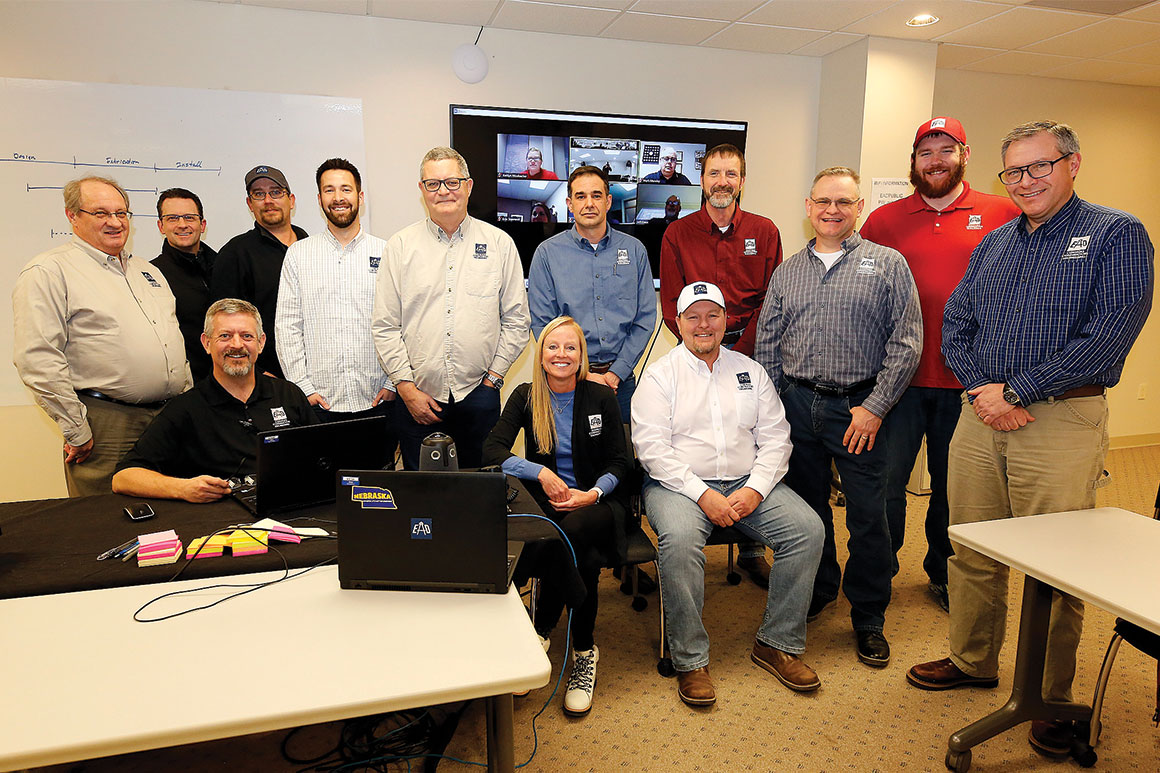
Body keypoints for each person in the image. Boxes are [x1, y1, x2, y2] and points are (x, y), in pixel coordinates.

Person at [907, 120, 1153, 758]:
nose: (1026, 181)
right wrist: (986, 390)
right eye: (1014, 172)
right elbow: (956, 323)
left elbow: (1110, 334)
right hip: (981, 414)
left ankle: (1049, 696)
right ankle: (972, 658)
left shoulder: (1117, 234)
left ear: (1073, 163)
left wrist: (1016, 391)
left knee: (1058, 566)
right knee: (972, 544)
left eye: (1040, 167)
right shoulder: (994, 244)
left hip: (1061, 420)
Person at [754, 166, 921, 668]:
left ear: (858, 208)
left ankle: (869, 616)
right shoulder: (788, 271)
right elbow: (768, 339)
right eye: (823, 201)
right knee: (809, 511)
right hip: (799, 407)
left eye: (843, 202)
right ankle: (821, 588)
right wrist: (772, 408)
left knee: (869, 517)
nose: (832, 211)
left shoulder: (888, 264)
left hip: (860, 408)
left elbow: (907, 343)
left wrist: (874, 408)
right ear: (808, 207)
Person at [632, 281, 824, 707]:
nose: (704, 325)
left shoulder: (749, 371)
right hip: (679, 485)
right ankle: (690, 660)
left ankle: (777, 643)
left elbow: (776, 437)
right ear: (678, 323)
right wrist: (703, 495)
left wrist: (756, 489)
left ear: (726, 320)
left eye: (712, 315)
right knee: (680, 542)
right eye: (693, 316)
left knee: (808, 530)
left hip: (747, 482)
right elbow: (652, 450)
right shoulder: (660, 376)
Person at [859, 117, 1021, 612]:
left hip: (970, 382)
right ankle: (878, 573)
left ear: (964, 155)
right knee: (886, 483)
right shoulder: (885, 221)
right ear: (913, 161)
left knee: (957, 489)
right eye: (925, 152)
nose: (935, 160)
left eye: (945, 150)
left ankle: (944, 573)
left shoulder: (1002, 213)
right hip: (898, 381)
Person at [483, 316, 629, 717]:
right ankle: (584, 647)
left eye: (571, 347)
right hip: (548, 504)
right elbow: (492, 451)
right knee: (581, 554)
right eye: (553, 346)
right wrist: (542, 473)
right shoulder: (526, 396)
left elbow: (622, 461)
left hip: (599, 503)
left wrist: (592, 493)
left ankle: (545, 631)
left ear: (581, 356)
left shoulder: (600, 397)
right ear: (541, 354)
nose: (561, 354)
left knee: (572, 531)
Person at [12, 176, 190, 497]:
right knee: (105, 523)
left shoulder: (147, 271)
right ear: (72, 216)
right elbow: (38, 358)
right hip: (107, 425)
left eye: (122, 213)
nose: (115, 222)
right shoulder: (49, 271)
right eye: (101, 213)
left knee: (167, 521)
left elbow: (172, 342)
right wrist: (76, 429)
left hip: (168, 419)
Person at [658, 142, 783, 587]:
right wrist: (704, 345)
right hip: (698, 347)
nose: (722, 182)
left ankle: (750, 547)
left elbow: (773, 300)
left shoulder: (766, 232)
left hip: (753, 354)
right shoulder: (677, 234)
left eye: (731, 174)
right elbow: (673, 301)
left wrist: (740, 351)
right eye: (714, 174)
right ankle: (699, 518)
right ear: (703, 180)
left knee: (749, 436)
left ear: (742, 181)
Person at [373, 146, 530, 470]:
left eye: (452, 182)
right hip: (417, 400)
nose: (443, 191)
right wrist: (404, 386)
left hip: (480, 396)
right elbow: (385, 326)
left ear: (469, 186)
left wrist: (493, 379)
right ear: (422, 190)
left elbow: (517, 320)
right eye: (433, 184)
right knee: (423, 502)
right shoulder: (400, 247)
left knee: (479, 496)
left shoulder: (500, 244)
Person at [113, 299, 317, 502]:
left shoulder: (288, 394)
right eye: (225, 336)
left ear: (261, 343)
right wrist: (183, 488)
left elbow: (322, 456)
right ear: (207, 343)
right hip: (220, 523)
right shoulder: (185, 409)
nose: (237, 345)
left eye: (246, 336)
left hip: (292, 509)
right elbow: (123, 478)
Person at [275, 158, 396, 456]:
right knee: (323, 494)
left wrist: (394, 382)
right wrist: (302, 387)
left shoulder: (388, 251)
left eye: (346, 189)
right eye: (329, 190)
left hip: (377, 402)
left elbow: (403, 322)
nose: (338, 197)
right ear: (319, 199)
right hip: (320, 405)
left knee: (378, 494)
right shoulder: (298, 255)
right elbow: (287, 326)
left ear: (360, 196)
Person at [527, 165, 656, 418]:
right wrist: (581, 372)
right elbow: (542, 324)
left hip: (621, 382)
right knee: (567, 455)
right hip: (566, 379)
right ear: (569, 203)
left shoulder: (635, 250)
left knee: (620, 455)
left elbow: (645, 319)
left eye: (596, 196)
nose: (589, 204)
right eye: (580, 196)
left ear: (608, 202)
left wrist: (615, 373)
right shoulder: (547, 254)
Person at [211, 165, 307, 378]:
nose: (268, 200)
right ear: (249, 203)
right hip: (265, 378)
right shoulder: (234, 254)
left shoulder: (311, 248)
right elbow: (224, 324)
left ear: (291, 200)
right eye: (258, 194)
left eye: (275, 192)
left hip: (315, 374)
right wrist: (258, 372)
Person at [151, 188, 218, 382]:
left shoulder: (224, 266)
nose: (182, 225)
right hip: (185, 387)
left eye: (189, 217)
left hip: (231, 382)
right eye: (172, 218)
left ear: (202, 224)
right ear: (161, 226)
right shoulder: (151, 276)